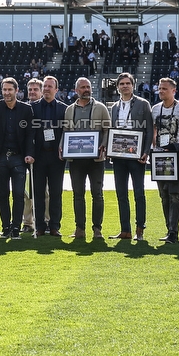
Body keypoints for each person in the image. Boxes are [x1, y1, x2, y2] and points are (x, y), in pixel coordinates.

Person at [0, 77, 35, 239]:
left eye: (10, 90)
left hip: (19, 158)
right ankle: (6, 226)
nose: (7, 93)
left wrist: (29, 154)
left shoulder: (26, 109)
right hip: (0, 158)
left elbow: (30, 135)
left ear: (16, 91)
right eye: (4, 90)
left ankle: (16, 227)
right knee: (2, 194)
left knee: (19, 194)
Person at [63, 77, 111, 240]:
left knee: (97, 194)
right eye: (83, 87)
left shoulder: (101, 108)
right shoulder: (70, 109)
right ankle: (79, 228)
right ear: (76, 90)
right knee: (78, 194)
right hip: (76, 160)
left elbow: (107, 129)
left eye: (88, 87)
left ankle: (97, 229)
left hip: (96, 160)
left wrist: (103, 145)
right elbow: (66, 131)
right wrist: (62, 146)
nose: (86, 90)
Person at [108, 72, 153, 241]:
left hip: (137, 156)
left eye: (128, 83)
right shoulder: (114, 107)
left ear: (133, 85)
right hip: (118, 156)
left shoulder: (143, 104)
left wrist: (146, 152)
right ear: (118, 87)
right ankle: (125, 229)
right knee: (121, 193)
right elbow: (112, 130)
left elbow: (149, 131)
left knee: (139, 193)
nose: (125, 86)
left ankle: (139, 229)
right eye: (122, 84)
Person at [151, 78, 179, 244]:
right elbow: (153, 131)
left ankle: (174, 231)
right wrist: (156, 148)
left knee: (174, 194)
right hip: (159, 156)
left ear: (174, 91)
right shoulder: (155, 109)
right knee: (164, 195)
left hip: (176, 155)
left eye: (164, 89)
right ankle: (169, 229)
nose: (161, 91)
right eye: (160, 89)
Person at [30, 75, 67, 237]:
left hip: (56, 158)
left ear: (56, 90)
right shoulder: (32, 108)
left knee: (56, 193)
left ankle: (54, 226)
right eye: (44, 86)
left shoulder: (64, 109)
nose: (46, 89)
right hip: (38, 157)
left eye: (50, 86)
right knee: (38, 193)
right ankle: (39, 226)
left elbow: (67, 133)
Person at [20, 78, 44, 234]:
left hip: (42, 156)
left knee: (45, 192)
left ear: (41, 91)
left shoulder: (44, 107)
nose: (32, 92)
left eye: (35, 89)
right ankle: (28, 223)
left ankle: (45, 222)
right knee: (26, 192)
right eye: (30, 89)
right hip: (24, 155)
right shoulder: (22, 108)